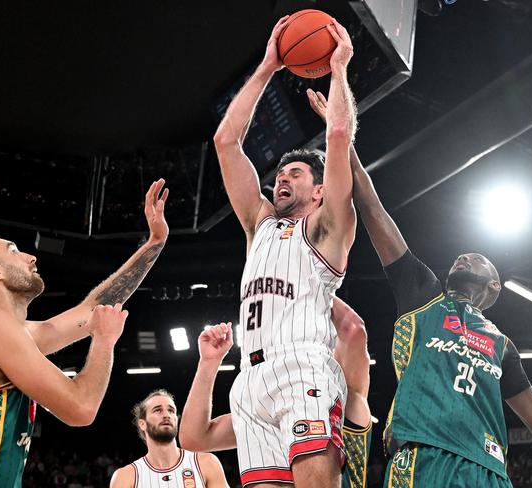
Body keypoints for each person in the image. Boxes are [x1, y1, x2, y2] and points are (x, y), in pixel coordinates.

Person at [0, 180, 170, 488]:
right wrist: (104, 341)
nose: (31, 257)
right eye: (13, 251)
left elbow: (95, 307)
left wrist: (154, 242)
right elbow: (81, 408)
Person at [342, 126, 532, 485]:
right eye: (461, 255)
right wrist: (343, 140)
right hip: (424, 457)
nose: (463, 257)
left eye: (477, 258)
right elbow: (374, 212)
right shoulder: (423, 296)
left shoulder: (502, 346)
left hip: (488, 472)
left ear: (495, 284)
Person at [212, 14, 358, 487]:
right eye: (281, 173)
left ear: (319, 193)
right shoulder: (259, 226)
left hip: (303, 367)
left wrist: (338, 69)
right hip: (248, 383)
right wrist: (268, 66)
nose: (283, 178)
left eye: (297, 174)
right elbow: (226, 141)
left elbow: (337, 136)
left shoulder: (326, 229)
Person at [180, 298, 371, 488]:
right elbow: (194, 438)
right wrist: (209, 362)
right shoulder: (270, 408)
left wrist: (306, 285)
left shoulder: (350, 397)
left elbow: (353, 330)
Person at [110, 389, 229, 488]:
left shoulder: (206, 463)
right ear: (142, 424)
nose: (166, 415)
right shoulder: (125, 477)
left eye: (171, 411)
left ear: (176, 420)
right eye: (158, 410)